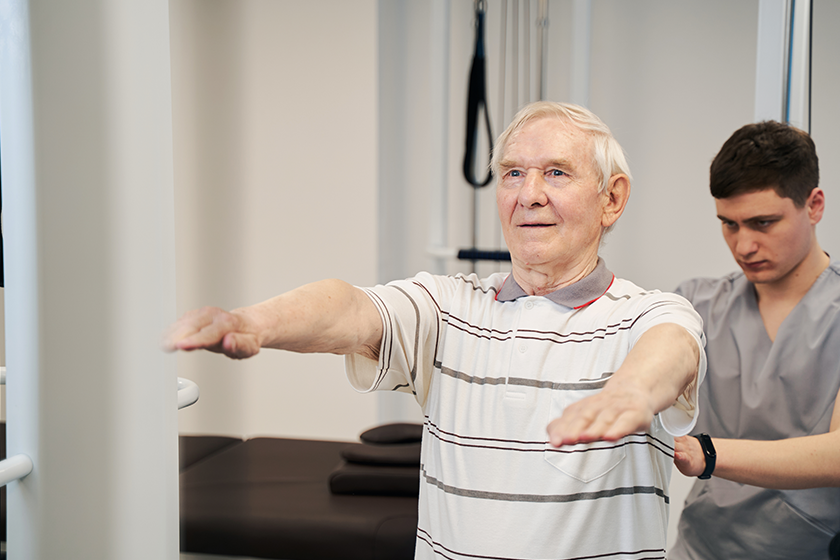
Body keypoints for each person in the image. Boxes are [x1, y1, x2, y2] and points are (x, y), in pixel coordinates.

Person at [164, 101, 706, 560]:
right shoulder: (451, 307)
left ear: (611, 198)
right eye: (513, 173)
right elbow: (349, 309)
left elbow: (672, 349)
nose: (529, 193)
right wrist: (253, 322)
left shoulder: (648, 313)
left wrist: (633, 390)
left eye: (557, 173)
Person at [670, 121, 840, 559]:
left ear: (814, 204)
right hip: (701, 547)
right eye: (729, 224)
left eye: (763, 223)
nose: (743, 245)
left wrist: (707, 454)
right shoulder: (694, 304)